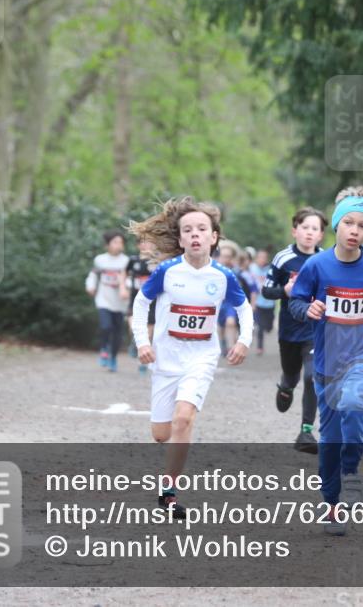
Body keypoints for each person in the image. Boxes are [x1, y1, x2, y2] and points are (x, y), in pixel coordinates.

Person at [289, 188, 363, 535]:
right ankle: (332, 505)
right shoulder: (316, 265)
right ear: (337, 226)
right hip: (328, 357)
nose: (355, 230)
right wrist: (307, 308)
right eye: (349, 223)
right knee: (330, 440)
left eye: (362, 225)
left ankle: (352, 473)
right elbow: (296, 302)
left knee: (355, 401)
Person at [128, 197, 253, 516]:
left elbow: (243, 308)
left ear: (214, 237)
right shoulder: (167, 271)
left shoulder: (223, 276)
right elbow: (141, 305)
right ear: (180, 238)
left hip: (201, 357)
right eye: (188, 230)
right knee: (161, 434)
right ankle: (169, 458)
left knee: (184, 418)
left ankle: (168, 493)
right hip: (165, 359)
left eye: (202, 229)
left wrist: (243, 340)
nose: (195, 234)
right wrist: (143, 342)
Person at [262, 208, 326, 453]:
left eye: (315, 229)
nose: (309, 233)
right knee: (292, 375)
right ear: (295, 230)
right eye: (305, 227)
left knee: (313, 376)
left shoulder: (325, 260)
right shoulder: (283, 258)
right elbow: (267, 291)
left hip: (314, 328)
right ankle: (286, 387)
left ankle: (306, 432)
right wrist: (285, 292)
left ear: (321, 235)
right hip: (289, 330)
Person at [85, 230, 130, 372]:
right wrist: (90, 286)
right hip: (104, 297)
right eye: (115, 242)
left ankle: (113, 357)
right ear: (107, 245)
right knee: (105, 326)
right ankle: (104, 348)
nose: (118, 245)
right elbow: (93, 274)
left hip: (120, 301)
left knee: (117, 332)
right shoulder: (100, 260)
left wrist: (125, 285)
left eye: (121, 242)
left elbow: (130, 279)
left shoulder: (126, 261)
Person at [126, 238, 158, 374]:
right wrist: (123, 287)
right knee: (133, 323)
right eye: (143, 242)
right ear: (138, 245)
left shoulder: (157, 262)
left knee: (149, 332)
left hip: (153, 301)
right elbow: (125, 273)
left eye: (150, 242)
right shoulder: (132, 260)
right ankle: (135, 342)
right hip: (135, 299)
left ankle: (143, 361)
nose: (147, 245)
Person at [215, 239, 243, 356]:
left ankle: (232, 347)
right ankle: (222, 345)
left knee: (230, 323)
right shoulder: (212, 270)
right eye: (224, 256)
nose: (226, 259)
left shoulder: (234, 272)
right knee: (219, 327)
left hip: (230, 303)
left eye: (229, 256)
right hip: (216, 302)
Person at [251, 248, 275, 356]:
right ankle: (259, 347)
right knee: (260, 326)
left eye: (264, 257)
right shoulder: (252, 268)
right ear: (256, 258)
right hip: (258, 302)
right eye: (260, 257)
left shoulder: (270, 270)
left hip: (269, 302)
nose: (262, 259)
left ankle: (268, 326)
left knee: (269, 327)